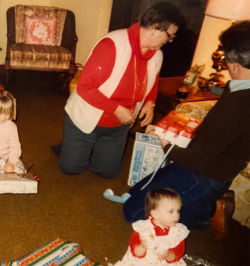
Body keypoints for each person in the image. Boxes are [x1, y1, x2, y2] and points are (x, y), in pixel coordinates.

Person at [121, 20, 250, 230]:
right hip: (200, 160)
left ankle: (208, 213)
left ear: (235, 65)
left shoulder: (239, 105)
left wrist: (165, 142)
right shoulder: (238, 88)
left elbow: (198, 160)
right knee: (137, 191)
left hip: (206, 175)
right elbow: (222, 134)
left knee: (133, 213)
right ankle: (201, 205)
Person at [53, 2, 184, 178]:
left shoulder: (157, 54)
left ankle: (84, 148)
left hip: (119, 126)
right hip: (87, 120)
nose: (170, 41)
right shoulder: (112, 45)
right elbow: (84, 88)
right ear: (155, 27)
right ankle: (70, 143)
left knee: (107, 173)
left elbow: (152, 83)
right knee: (72, 169)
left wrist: (150, 102)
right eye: (170, 36)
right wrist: (117, 109)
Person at [111, 188, 199, 266]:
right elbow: (135, 251)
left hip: (168, 263)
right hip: (145, 263)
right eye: (171, 211)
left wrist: (169, 255)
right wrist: (142, 247)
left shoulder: (178, 231)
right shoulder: (143, 228)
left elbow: (178, 252)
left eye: (178, 210)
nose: (177, 215)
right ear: (155, 214)